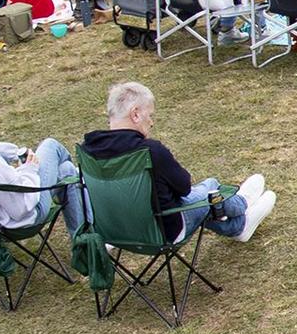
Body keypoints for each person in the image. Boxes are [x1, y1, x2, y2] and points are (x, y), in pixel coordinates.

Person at [79, 80, 272, 247]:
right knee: (210, 188)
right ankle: (242, 205)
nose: (151, 122)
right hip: (162, 232)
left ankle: (237, 223)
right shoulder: (150, 151)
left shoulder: (88, 150)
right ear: (135, 114)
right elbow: (184, 188)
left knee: (198, 195)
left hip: (116, 232)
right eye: (150, 115)